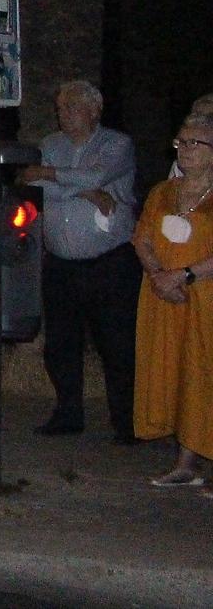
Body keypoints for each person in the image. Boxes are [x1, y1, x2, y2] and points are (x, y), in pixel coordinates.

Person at [20, 79, 140, 442]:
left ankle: (127, 421)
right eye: (60, 108)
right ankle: (68, 414)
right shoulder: (50, 145)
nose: (63, 114)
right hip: (61, 264)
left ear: (94, 109)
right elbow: (31, 182)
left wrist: (52, 176)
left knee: (117, 344)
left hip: (108, 263)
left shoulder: (116, 144)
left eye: (71, 106)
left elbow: (96, 174)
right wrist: (87, 191)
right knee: (61, 345)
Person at [130, 114, 213, 487]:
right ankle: (186, 461)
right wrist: (159, 276)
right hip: (164, 295)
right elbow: (143, 237)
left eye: (194, 143)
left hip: (204, 294)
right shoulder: (163, 191)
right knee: (179, 373)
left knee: (206, 372)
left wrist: (184, 274)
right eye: (181, 142)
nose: (184, 150)